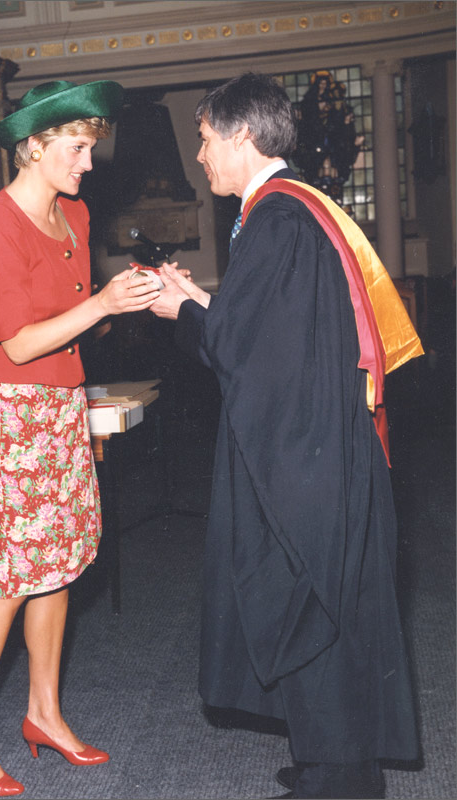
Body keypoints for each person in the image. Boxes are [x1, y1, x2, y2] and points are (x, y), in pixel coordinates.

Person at [151, 73, 423, 799]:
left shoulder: (276, 221)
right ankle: (330, 759)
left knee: (311, 603)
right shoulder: (295, 208)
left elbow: (248, 350)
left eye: (205, 139)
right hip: (321, 439)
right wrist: (200, 301)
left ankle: (340, 778)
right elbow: (270, 327)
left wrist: (184, 316)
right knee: (320, 604)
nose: (200, 156)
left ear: (242, 135)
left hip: (303, 456)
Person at [0, 79, 161, 797]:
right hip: (10, 407)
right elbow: (18, 340)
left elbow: (78, 322)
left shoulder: (75, 212)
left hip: (63, 397)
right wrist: (102, 302)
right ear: (33, 147)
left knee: (60, 563)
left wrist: (138, 297)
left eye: (90, 148)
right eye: (76, 148)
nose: (87, 164)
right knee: (12, 575)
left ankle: (43, 713)